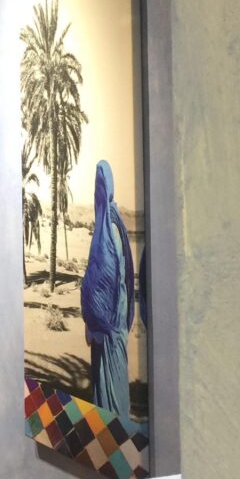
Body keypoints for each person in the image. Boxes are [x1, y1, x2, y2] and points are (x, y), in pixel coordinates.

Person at [79, 160, 135, 421]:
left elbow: (106, 276)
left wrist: (94, 318)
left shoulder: (108, 227)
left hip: (109, 322)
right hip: (113, 318)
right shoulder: (113, 222)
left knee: (111, 377)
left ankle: (116, 423)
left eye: (99, 186)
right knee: (107, 375)